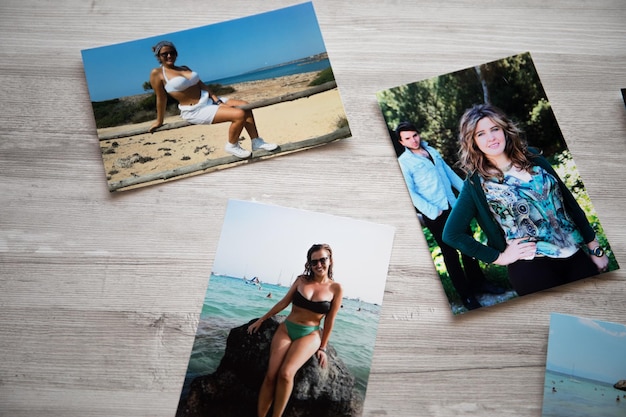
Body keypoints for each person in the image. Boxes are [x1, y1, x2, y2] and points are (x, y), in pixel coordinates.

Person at [443, 103, 609, 296]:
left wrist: (595, 249)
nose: (491, 138)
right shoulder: (476, 183)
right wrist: (499, 257)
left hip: (575, 255)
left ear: (504, 130)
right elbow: (452, 234)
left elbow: (571, 205)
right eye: (481, 134)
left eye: (495, 129)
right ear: (472, 141)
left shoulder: (534, 158)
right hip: (531, 269)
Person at [395, 122, 501, 310]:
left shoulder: (431, 150)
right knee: (450, 254)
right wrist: (433, 211)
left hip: (455, 206)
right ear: (401, 141)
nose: (413, 140)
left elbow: (449, 173)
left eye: (415, 135)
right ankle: (466, 295)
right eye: (408, 138)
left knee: (469, 245)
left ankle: (479, 283)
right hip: (436, 213)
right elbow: (409, 192)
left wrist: (468, 194)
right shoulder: (404, 163)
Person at [247, 244, 342, 417]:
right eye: (314, 262)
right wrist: (262, 320)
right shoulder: (301, 280)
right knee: (271, 375)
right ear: (309, 264)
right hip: (286, 329)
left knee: (285, 374)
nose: (318, 265)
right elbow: (283, 303)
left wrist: (323, 348)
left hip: (311, 334)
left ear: (330, 260)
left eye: (322, 260)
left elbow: (330, 320)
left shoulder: (336, 289)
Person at [148, 40, 277, 158]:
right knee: (239, 114)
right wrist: (159, 121)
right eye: (165, 54)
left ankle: (256, 142)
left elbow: (201, 84)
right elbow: (161, 98)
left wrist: (218, 101)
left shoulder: (184, 68)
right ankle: (232, 145)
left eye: (172, 53)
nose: (169, 56)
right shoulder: (157, 73)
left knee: (245, 105)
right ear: (159, 57)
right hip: (195, 110)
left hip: (209, 100)